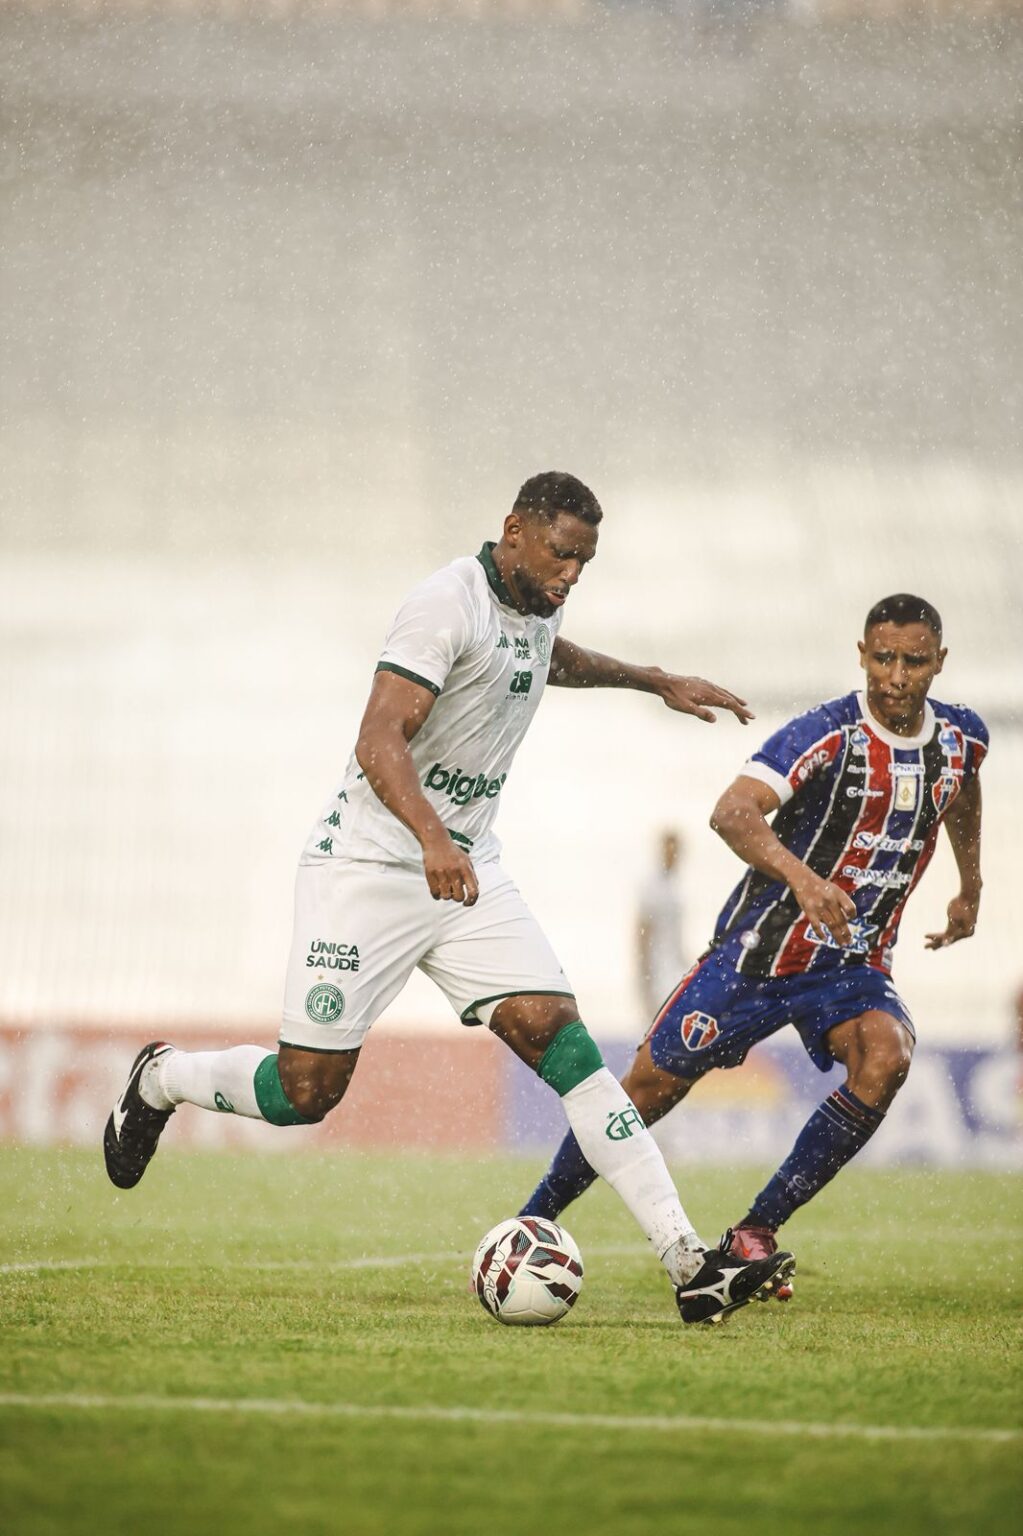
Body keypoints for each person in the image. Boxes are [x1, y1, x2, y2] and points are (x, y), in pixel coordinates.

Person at [104, 471, 795, 1324]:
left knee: (561, 1041)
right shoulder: (445, 603)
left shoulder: (537, 604)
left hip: (467, 869)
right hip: (366, 867)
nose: (572, 575)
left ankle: (687, 1261)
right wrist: (430, 836)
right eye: (561, 555)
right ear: (513, 529)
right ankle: (163, 1078)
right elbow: (377, 735)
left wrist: (651, 679)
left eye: (584, 562)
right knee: (304, 1094)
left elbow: (551, 661)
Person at [521, 593, 987, 1299]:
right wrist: (802, 881)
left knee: (886, 1051)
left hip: (850, 965)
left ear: (938, 664)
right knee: (645, 1091)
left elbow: (961, 789)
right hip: (754, 960)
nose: (895, 676)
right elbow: (730, 811)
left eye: (913, 661)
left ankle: (753, 1232)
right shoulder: (823, 734)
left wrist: (969, 885)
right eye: (882, 658)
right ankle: (532, 1222)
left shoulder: (960, 739)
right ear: (860, 654)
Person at [637, 829, 686, 1022]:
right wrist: (645, 980)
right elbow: (642, 933)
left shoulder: (674, 886)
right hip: (659, 973)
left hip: (675, 969)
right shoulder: (653, 886)